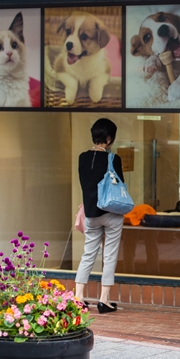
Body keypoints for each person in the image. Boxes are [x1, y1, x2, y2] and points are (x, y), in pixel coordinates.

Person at [76, 118, 125, 314]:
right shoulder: (114, 159)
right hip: (111, 213)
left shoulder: (82, 157)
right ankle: (104, 300)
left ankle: (78, 296)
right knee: (109, 254)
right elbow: (120, 185)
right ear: (109, 138)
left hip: (91, 213)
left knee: (88, 253)